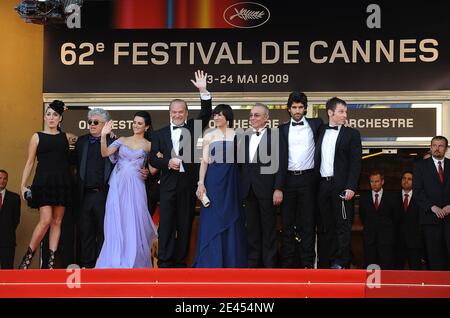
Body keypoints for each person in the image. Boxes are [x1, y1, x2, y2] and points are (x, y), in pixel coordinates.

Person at [150, 70, 212, 268]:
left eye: (181, 112)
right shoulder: (159, 134)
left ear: (186, 113)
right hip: (167, 183)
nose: (177, 115)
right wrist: (167, 162)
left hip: (187, 183)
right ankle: (165, 261)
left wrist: (203, 91)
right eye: (174, 112)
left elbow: (206, 113)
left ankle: (180, 261)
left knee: (184, 223)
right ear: (170, 113)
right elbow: (152, 158)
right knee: (166, 223)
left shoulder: (193, 127)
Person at [19, 100, 77, 269]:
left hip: (62, 182)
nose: (51, 118)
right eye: (48, 114)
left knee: (57, 221)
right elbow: (30, 162)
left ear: (60, 119)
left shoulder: (66, 137)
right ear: (45, 117)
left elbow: (82, 139)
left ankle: (50, 262)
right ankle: (28, 256)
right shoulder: (37, 136)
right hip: (43, 182)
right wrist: (23, 185)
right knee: (45, 220)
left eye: (55, 115)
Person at [95, 111, 158, 268]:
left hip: (136, 186)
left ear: (147, 126)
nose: (136, 125)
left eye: (140, 123)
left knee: (135, 220)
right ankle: (115, 260)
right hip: (118, 185)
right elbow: (104, 153)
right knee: (117, 219)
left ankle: (134, 261)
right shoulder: (122, 140)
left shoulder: (150, 145)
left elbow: (155, 168)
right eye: (134, 122)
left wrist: (148, 172)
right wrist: (103, 135)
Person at [194, 104, 247, 267]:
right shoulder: (208, 135)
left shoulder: (239, 134)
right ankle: (210, 262)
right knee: (212, 219)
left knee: (232, 216)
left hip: (231, 181)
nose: (216, 118)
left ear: (228, 118)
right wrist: (201, 183)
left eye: (220, 115)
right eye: (215, 115)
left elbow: (243, 162)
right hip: (213, 181)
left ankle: (232, 262)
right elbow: (204, 161)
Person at [277, 91, 323, 268]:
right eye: (294, 107)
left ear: (305, 109)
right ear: (288, 109)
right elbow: (279, 160)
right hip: (288, 180)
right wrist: (278, 187)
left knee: (308, 223)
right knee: (287, 224)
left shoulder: (317, 125)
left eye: (300, 107)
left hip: (308, 180)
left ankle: (307, 264)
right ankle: (287, 265)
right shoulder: (281, 129)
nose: (297, 110)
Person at [315, 97, 362, 269]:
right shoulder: (320, 130)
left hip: (341, 186)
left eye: (345, 112)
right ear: (330, 112)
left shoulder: (352, 134)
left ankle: (341, 262)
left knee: (342, 225)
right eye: (341, 111)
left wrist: (350, 186)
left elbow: (356, 163)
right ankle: (326, 262)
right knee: (325, 225)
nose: (345, 115)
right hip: (323, 186)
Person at [75, 108, 115, 268]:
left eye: (96, 122)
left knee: (104, 232)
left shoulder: (113, 142)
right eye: (90, 122)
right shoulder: (81, 141)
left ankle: (103, 266)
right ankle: (87, 266)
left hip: (104, 194)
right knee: (85, 233)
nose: (91, 125)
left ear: (105, 125)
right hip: (84, 195)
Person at [414, 135, 450, 270]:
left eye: (441, 146)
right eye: (434, 145)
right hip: (430, 219)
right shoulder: (420, 166)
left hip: (449, 218)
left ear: (446, 149)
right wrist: (432, 207)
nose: (437, 149)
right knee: (433, 256)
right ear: (430, 147)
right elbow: (417, 191)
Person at [359, 171, 396, 269]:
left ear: (382, 182)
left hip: (386, 240)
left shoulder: (392, 197)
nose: (374, 184)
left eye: (377, 181)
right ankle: (373, 284)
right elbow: (363, 217)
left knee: (386, 267)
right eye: (372, 181)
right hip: (370, 240)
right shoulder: (363, 197)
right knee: (371, 268)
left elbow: (395, 218)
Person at [394, 171, 424, 270]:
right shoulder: (392, 198)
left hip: (415, 243)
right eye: (404, 178)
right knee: (397, 273)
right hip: (397, 242)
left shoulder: (420, 198)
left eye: (409, 179)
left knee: (416, 272)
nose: (406, 181)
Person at [0, 170, 21, 269]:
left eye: (5, 178)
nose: (2, 181)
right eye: (0, 178)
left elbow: (15, 220)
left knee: (7, 271)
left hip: (7, 242)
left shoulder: (14, 198)